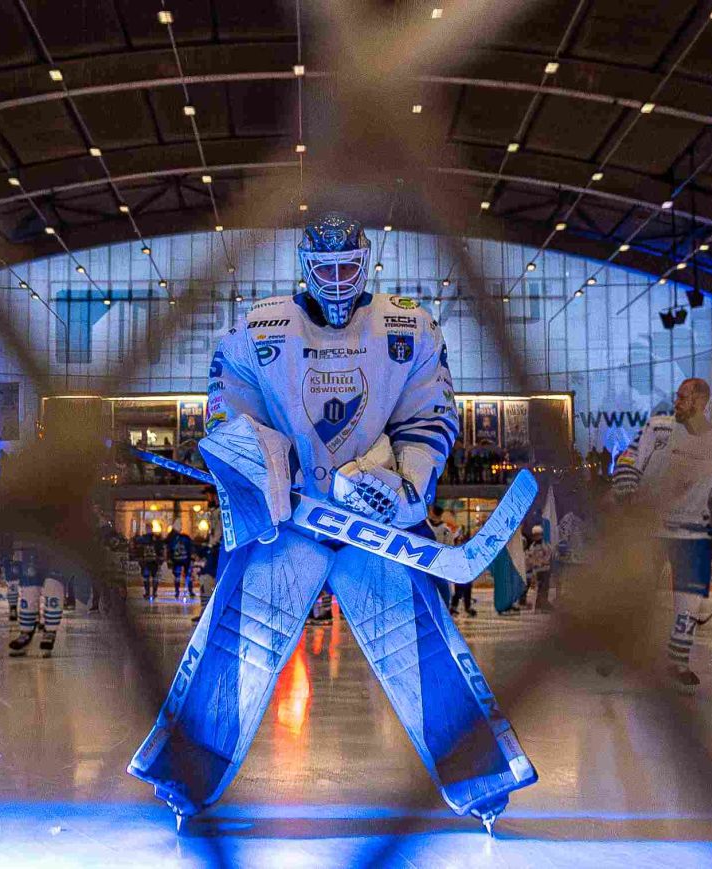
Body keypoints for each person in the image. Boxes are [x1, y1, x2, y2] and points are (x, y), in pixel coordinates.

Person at [128, 213, 535, 832]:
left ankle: (482, 777)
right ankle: (184, 776)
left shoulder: (410, 325)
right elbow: (225, 407)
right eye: (327, 268)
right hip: (289, 522)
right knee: (237, 643)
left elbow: (431, 416)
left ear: (366, 262)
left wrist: (401, 485)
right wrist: (262, 460)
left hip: (374, 522)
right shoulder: (258, 326)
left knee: (420, 648)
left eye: (350, 266)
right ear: (305, 268)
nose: (340, 280)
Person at [612, 377, 712, 693]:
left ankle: (678, 662)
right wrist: (627, 491)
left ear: (701, 402)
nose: (676, 402)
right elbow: (628, 461)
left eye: (683, 397)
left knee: (688, 603)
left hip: (693, 535)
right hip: (649, 530)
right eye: (677, 396)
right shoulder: (658, 428)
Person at [7, 536, 64, 658]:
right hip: (30, 543)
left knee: (53, 584)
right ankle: (26, 631)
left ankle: (50, 631)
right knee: (29, 589)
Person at [525, 525, 554, 612]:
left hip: (545, 569)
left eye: (538, 534)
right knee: (540, 588)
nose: (537, 537)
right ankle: (540, 605)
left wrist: (544, 562)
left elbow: (549, 554)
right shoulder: (532, 546)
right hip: (538, 570)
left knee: (544, 588)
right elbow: (530, 558)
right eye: (535, 535)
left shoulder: (545, 545)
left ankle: (542, 604)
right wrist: (535, 563)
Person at [165, 520, 195, 598]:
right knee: (179, 576)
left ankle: (187, 591)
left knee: (186, 575)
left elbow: (190, 548)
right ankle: (179, 591)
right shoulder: (174, 538)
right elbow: (168, 548)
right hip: (178, 560)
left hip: (183, 559)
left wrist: (191, 557)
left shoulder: (183, 537)